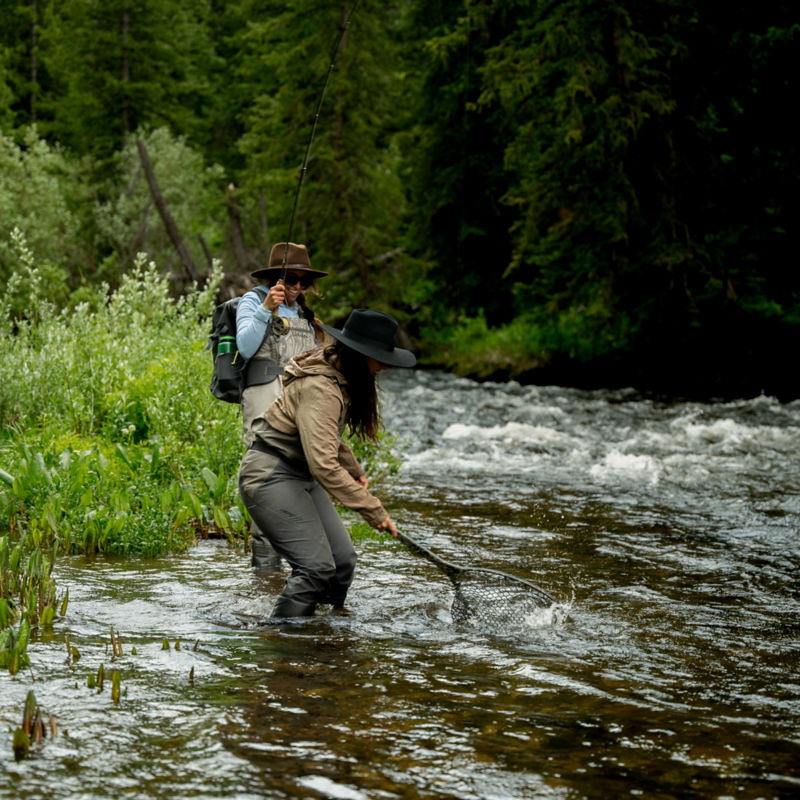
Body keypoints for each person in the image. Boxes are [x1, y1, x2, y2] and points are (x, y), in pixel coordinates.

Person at [238, 308, 416, 618]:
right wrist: (373, 510)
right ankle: (282, 640)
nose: (384, 366)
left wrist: (353, 469)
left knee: (342, 560)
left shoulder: (339, 375)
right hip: (270, 475)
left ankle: (324, 632)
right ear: (360, 354)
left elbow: (323, 434)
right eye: (379, 358)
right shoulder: (321, 388)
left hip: (298, 473)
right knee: (315, 567)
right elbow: (322, 464)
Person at [236, 242, 328, 569]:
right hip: (263, 393)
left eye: (304, 282)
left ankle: (306, 566)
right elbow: (245, 348)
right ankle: (265, 575)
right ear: (277, 277)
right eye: (293, 281)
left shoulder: (304, 312)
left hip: (298, 398)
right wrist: (265, 308)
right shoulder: (252, 300)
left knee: (302, 470)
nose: (299, 288)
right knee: (266, 475)